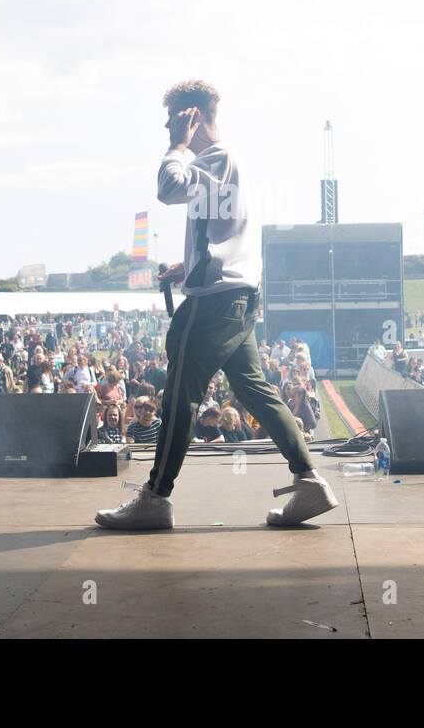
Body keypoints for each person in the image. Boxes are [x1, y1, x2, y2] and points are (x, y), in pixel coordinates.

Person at [96, 81, 334, 529]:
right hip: (238, 296)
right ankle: (310, 483)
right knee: (254, 390)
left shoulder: (212, 158)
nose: (167, 126)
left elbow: (168, 188)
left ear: (190, 116)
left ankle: (155, 498)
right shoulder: (226, 164)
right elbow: (224, 234)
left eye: (172, 118)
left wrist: (176, 145)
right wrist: (188, 267)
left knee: (181, 395)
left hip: (216, 303)